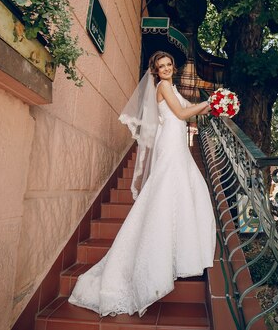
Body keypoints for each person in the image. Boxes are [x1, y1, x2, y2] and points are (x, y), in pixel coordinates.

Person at [68, 51, 216, 317]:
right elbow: (182, 114)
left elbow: (184, 114)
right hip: (170, 146)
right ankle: (156, 265)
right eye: (162, 66)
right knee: (167, 194)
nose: (167, 69)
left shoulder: (171, 86)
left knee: (187, 191)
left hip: (176, 145)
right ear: (156, 71)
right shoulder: (162, 86)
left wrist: (210, 106)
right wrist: (211, 102)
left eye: (169, 65)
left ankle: (179, 252)